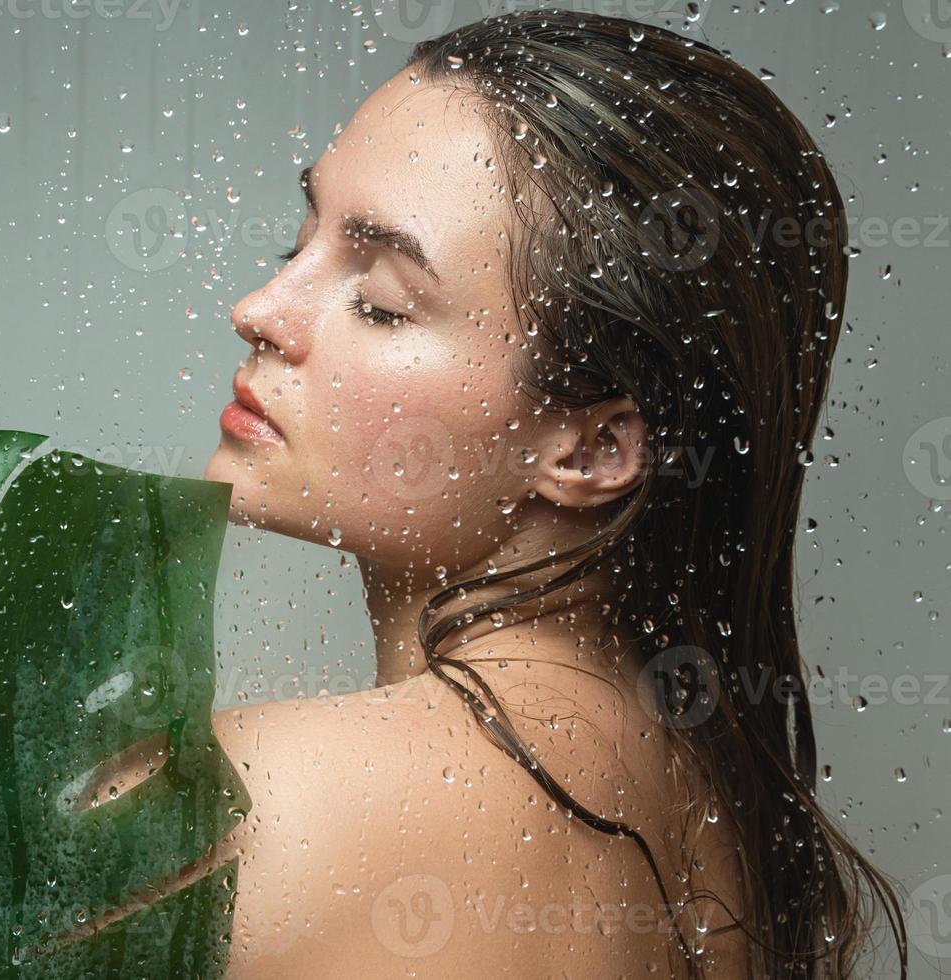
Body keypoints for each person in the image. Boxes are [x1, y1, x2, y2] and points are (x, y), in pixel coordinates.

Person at [204, 12, 908, 978]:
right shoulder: (705, 814)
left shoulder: (276, 802)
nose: (262, 311)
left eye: (380, 301)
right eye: (300, 241)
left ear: (590, 449)